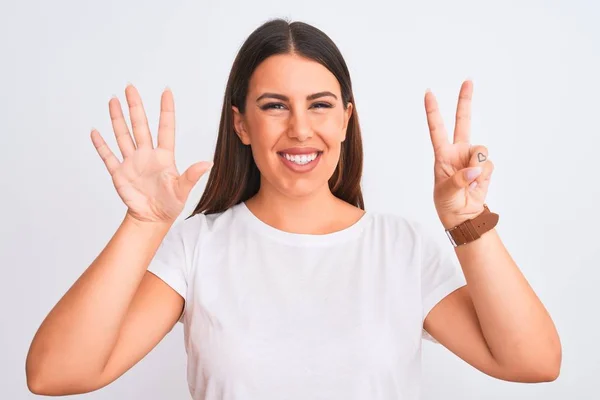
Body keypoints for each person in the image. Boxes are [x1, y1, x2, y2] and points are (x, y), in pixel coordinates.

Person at [26, 18, 561, 400]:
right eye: (274, 105)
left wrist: (468, 222)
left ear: (346, 119)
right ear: (241, 124)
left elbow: (533, 363)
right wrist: (144, 224)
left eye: (320, 105)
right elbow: (54, 374)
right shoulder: (198, 247)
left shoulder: (402, 248)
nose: (300, 129)